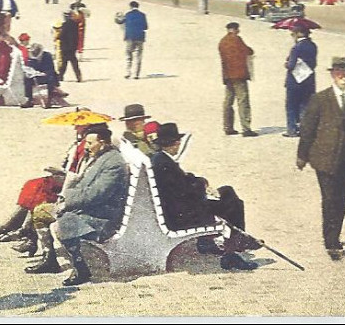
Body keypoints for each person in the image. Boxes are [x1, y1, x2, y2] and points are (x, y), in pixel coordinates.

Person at [27, 125, 129, 286]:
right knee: (40, 212)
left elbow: (97, 193)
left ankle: (80, 268)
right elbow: (85, 186)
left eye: (89, 143)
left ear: (102, 142)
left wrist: (67, 203)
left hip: (102, 217)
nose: (86, 147)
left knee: (63, 223)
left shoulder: (113, 163)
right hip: (88, 209)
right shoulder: (100, 157)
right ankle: (50, 259)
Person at [150, 123, 258, 271]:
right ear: (176, 143)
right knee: (234, 204)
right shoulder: (165, 163)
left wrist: (196, 180)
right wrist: (201, 184)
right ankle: (232, 253)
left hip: (175, 209)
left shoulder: (160, 159)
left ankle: (237, 239)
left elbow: (179, 182)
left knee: (227, 191)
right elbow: (184, 191)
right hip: (183, 216)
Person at [296, 56, 345, 261]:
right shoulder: (320, 99)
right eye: (339, 72)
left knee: (342, 200)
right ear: (332, 75)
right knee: (330, 199)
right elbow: (307, 129)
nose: (343, 75)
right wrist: (302, 155)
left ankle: (335, 234)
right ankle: (331, 241)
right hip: (324, 159)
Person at [218, 22, 256, 137]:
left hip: (227, 75)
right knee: (243, 101)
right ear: (235, 29)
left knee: (228, 102)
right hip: (239, 75)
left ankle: (228, 127)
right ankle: (246, 128)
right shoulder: (237, 40)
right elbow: (248, 51)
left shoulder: (222, 42)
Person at [283, 26, 317, 137]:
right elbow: (314, 64)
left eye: (293, 33)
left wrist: (287, 64)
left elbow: (291, 65)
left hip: (295, 81)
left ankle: (292, 129)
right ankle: (305, 129)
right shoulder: (313, 46)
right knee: (305, 105)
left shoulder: (296, 48)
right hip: (309, 80)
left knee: (291, 105)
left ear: (299, 34)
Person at [23, 42, 60, 109]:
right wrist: (32, 72)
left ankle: (49, 99)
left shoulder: (47, 56)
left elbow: (51, 69)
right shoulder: (31, 57)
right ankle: (29, 100)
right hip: (36, 76)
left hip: (47, 75)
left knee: (51, 78)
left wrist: (44, 73)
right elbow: (29, 67)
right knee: (27, 78)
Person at [116, 0, 148, 79]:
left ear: (130, 6)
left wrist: (116, 18)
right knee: (138, 56)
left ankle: (128, 72)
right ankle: (136, 74)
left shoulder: (128, 14)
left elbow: (120, 22)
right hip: (140, 37)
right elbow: (145, 27)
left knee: (129, 55)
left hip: (130, 37)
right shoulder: (143, 15)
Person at [57, 11, 82, 82]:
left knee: (64, 63)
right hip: (73, 47)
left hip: (65, 47)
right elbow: (77, 36)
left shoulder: (65, 24)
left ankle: (60, 76)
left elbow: (62, 35)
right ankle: (78, 76)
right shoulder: (75, 24)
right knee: (74, 63)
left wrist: (59, 37)